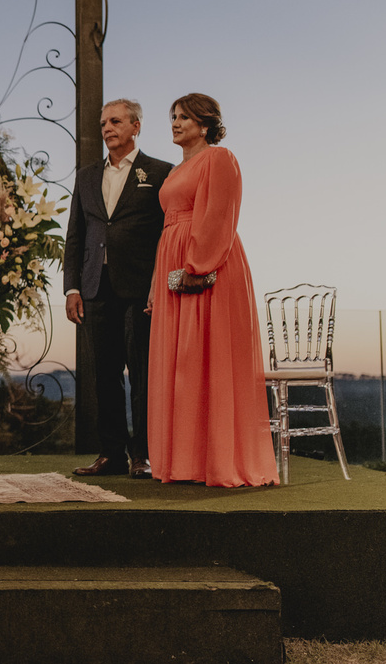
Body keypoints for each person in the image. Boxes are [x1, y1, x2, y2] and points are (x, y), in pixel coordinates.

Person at [146, 93, 278, 488]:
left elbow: (220, 214)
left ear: (205, 125)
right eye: (173, 116)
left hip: (208, 264)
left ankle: (216, 462)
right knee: (181, 363)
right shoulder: (176, 170)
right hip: (173, 258)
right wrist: (156, 283)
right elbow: (167, 226)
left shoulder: (219, 158)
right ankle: (184, 462)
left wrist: (197, 266)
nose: (175, 123)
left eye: (184, 117)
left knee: (205, 357)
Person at [64, 99, 172, 479]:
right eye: (103, 123)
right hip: (95, 287)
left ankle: (143, 455)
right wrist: (72, 288)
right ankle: (111, 454)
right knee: (103, 376)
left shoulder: (160, 173)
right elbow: (76, 234)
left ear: (135, 126)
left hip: (141, 289)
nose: (107, 128)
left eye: (115, 121)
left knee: (142, 374)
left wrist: (160, 284)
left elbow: (167, 234)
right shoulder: (87, 176)